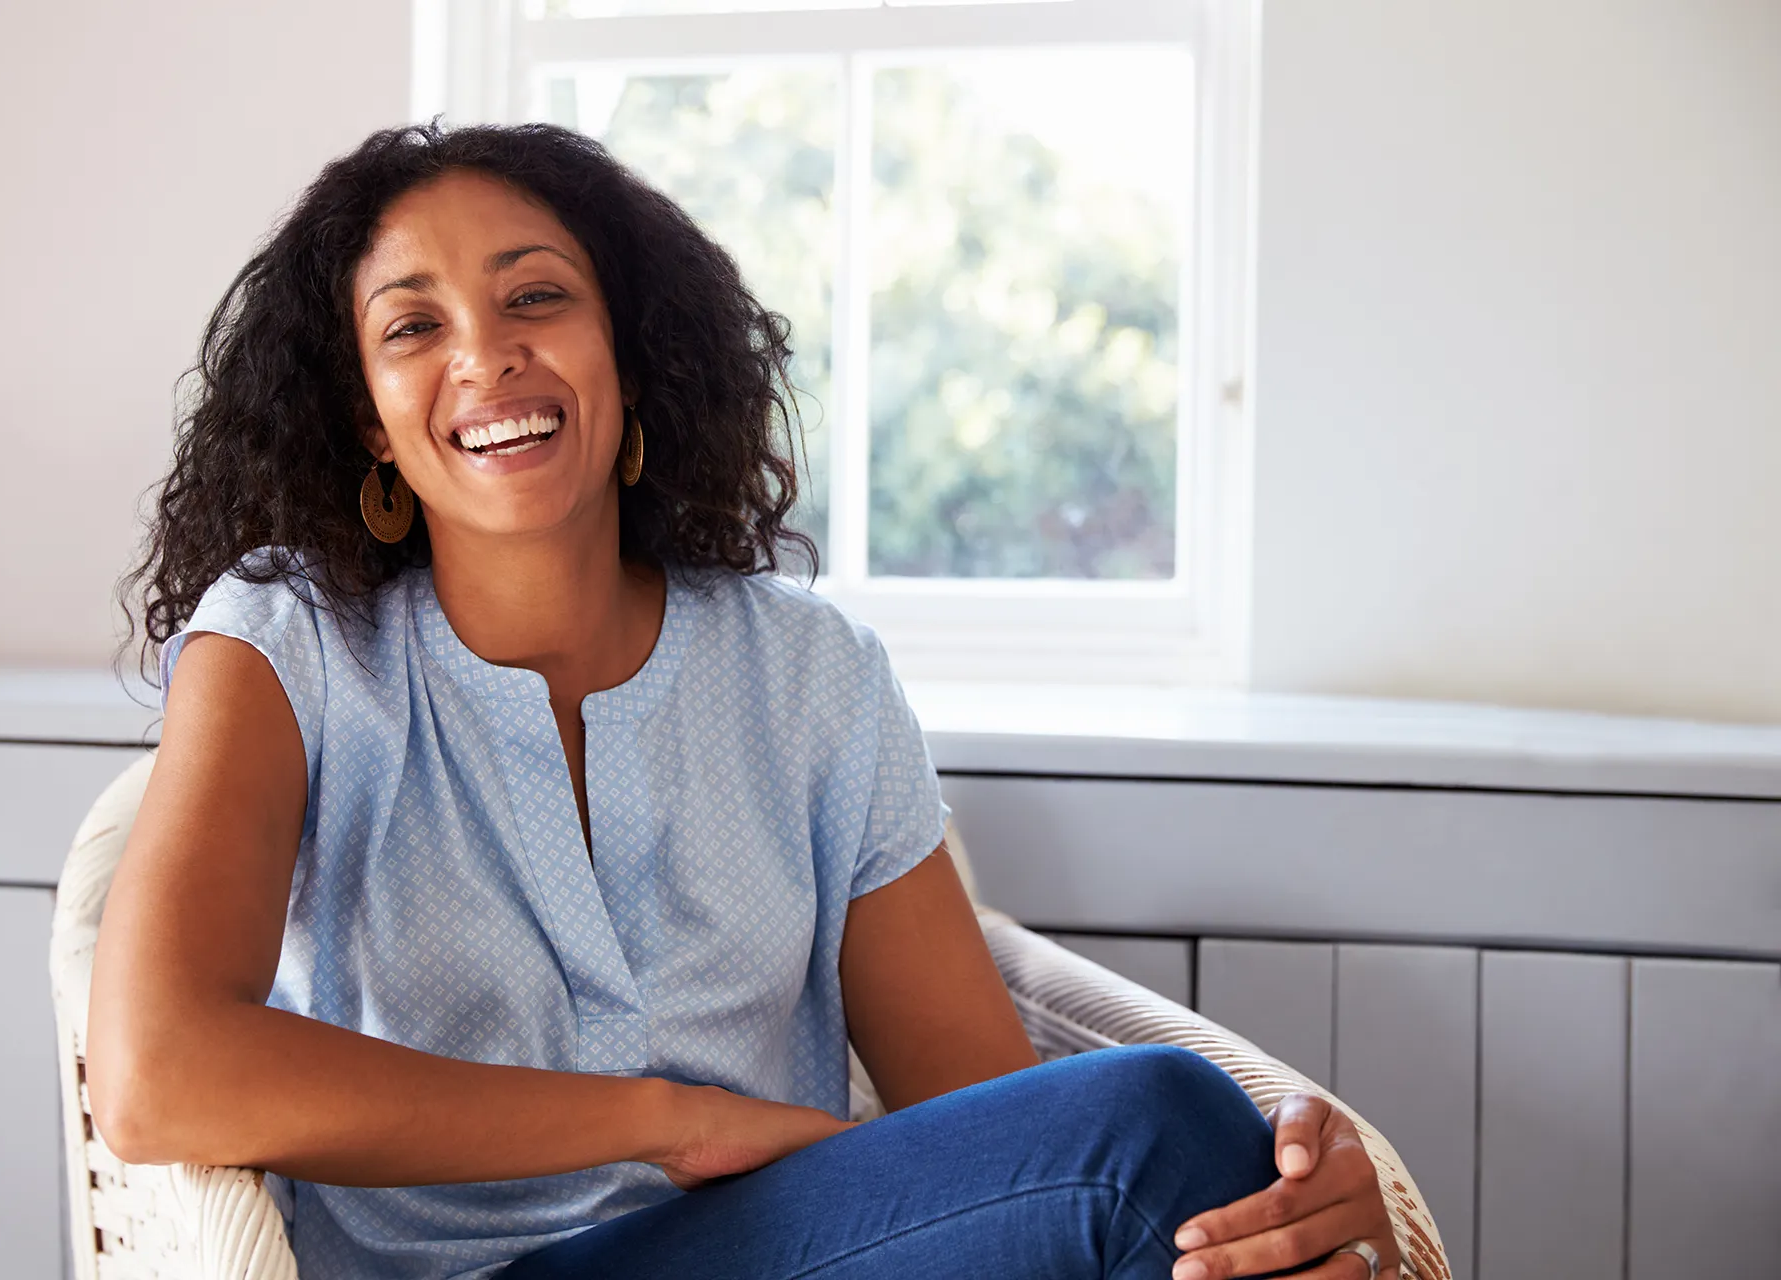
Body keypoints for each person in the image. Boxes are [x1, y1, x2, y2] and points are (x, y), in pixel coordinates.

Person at [87, 122, 1400, 1280]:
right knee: (1160, 1132)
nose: (486, 356)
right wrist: (662, 1118)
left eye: (535, 296)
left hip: (795, 1246)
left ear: (632, 359)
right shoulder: (290, 642)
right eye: (413, 326)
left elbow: (989, 1118)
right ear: (371, 420)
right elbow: (157, 1075)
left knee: (1194, 1167)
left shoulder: (809, 675)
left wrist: (1264, 1187)